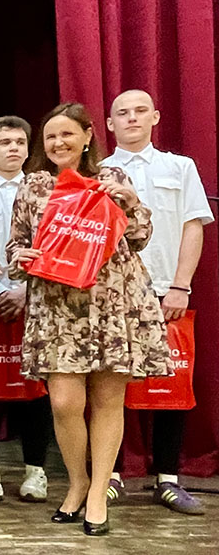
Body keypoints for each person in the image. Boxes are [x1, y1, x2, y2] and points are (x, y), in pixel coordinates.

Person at [9, 102, 169, 535]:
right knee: (64, 402)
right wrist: (21, 258)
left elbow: (138, 239)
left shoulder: (113, 178)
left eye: (67, 134)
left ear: (87, 136)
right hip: (56, 308)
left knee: (107, 401)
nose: (58, 143)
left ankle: (98, 492)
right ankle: (77, 480)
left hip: (111, 303)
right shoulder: (33, 185)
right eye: (50, 137)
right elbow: (16, 246)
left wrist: (132, 206)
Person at [103, 89, 212, 515]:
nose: (131, 118)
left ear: (156, 117)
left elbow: (192, 226)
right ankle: (110, 476)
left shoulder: (179, 167)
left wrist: (181, 285)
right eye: (122, 113)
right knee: (108, 386)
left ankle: (168, 478)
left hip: (166, 290)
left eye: (140, 111)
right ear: (109, 124)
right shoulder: (98, 172)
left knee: (172, 384)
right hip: (111, 294)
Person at [0, 116, 52, 502]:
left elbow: (55, 246)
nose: (14, 148)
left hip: (35, 303)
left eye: (20, 141)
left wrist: (24, 291)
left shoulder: (45, 190)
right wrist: (0, 291)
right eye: (5, 142)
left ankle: (36, 470)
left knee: (36, 390)